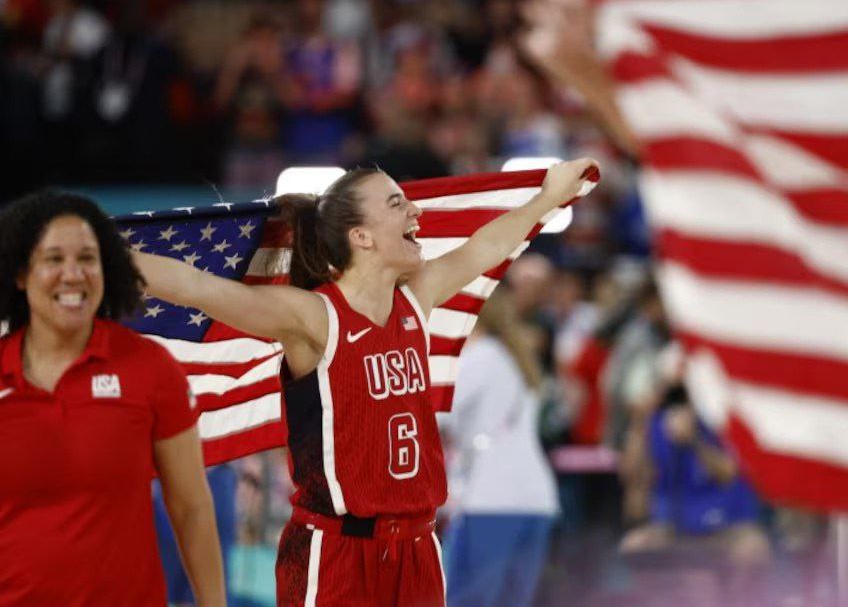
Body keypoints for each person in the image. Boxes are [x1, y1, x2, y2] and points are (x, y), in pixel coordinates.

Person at [133, 159, 597, 606]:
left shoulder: (417, 299)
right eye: (397, 204)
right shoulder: (314, 316)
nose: (415, 210)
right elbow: (198, 288)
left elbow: (485, 247)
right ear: (361, 236)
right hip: (337, 550)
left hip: (417, 547)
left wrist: (549, 199)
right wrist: (102, 254)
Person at [0, 191, 226, 606]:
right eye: (53, 259)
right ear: (20, 274)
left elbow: (192, 507)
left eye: (88, 258)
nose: (73, 274)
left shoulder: (150, 367)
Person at [440, 287, 559, 607]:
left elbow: (433, 414)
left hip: (493, 498)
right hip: (536, 500)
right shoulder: (513, 358)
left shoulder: (480, 357)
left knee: (470, 600)